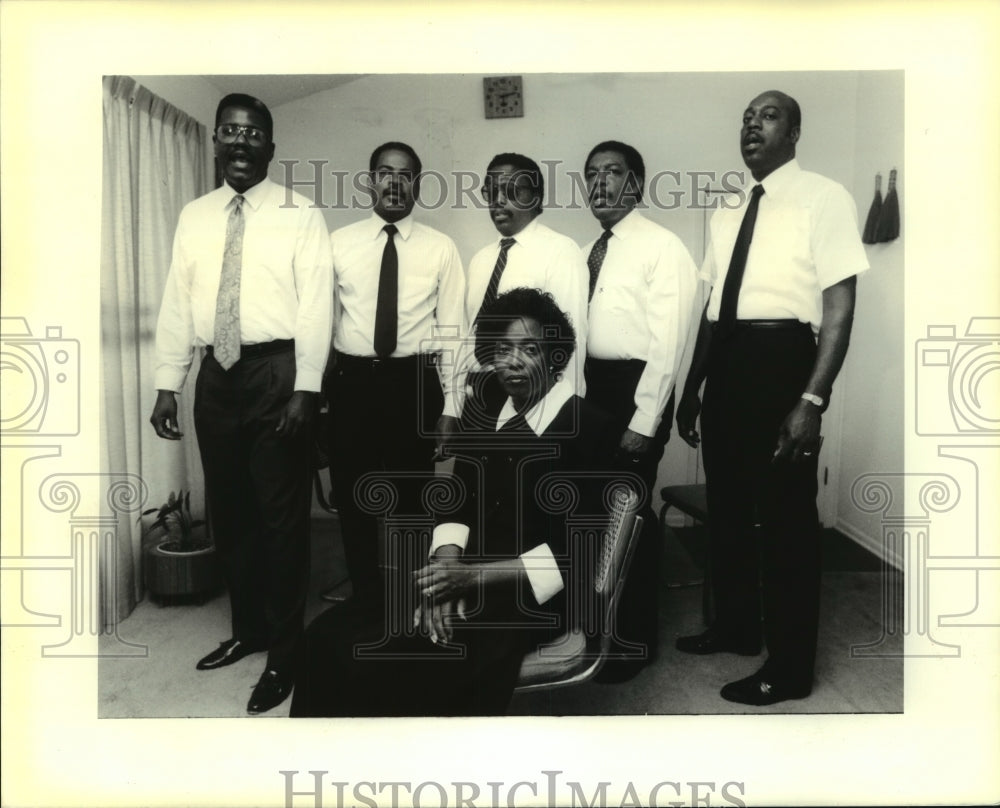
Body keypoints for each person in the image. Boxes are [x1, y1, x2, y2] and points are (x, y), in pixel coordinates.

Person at [290, 288, 621, 716]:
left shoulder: (590, 428)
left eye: (530, 350)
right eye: (502, 349)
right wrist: (445, 569)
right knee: (326, 637)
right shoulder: (486, 405)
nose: (513, 362)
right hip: (460, 568)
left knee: (385, 662)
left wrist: (470, 580)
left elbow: (576, 554)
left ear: (556, 357)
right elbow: (455, 502)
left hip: (525, 597)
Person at [675, 90, 868, 705]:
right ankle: (735, 627)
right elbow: (711, 310)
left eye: (767, 115)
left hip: (783, 360)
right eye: (744, 117)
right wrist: (692, 385)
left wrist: (811, 400)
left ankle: (789, 670)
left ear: (794, 131)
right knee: (729, 509)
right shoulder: (728, 210)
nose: (751, 125)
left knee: (785, 522)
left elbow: (839, 306)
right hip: (726, 364)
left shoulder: (824, 196)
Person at [150, 93, 333, 714]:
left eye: (253, 133)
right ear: (215, 141)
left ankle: (286, 651)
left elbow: (316, 305)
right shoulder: (195, 215)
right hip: (215, 377)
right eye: (229, 130)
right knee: (229, 514)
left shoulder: (300, 213)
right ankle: (248, 630)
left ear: (270, 148)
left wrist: (308, 387)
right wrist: (167, 381)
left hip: (276, 373)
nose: (239, 141)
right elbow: (180, 300)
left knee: (281, 521)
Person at [323, 141, 466, 607]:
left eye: (405, 175)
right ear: (369, 181)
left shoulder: (440, 248)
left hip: (413, 383)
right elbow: (319, 324)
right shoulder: (337, 243)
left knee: (411, 500)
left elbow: (452, 332)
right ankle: (366, 598)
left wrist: (452, 406)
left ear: (418, 186)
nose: (393, 181)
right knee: (353, 498)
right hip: (353, 384)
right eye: (384, 172)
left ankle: (408, 601)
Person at [582, 140, 698, 678]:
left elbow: (669, 345)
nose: (600, 183)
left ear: (637, 183)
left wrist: (644, 423)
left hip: (635, 391)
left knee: (628, 515)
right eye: (591, 175)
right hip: (593, 389)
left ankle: (631, 642)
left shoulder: (662, 247)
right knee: (592, 514)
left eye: (612, 173)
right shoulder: (593, 248)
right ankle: (593, 628)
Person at [463, 153, 588, 417]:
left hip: (532, 399)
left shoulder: (561, 251)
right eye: (491, 191)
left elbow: (571, 342)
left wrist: (564, 416)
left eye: (510, 190)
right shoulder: (480, 260)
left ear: (535, 196)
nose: (498, 200)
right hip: (478, 398)